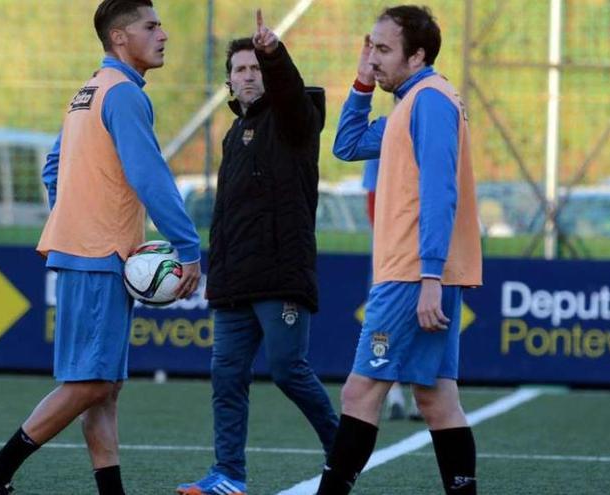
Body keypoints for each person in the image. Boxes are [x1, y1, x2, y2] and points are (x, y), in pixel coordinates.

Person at [0, 2, 201, 494]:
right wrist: (187, 246)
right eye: (151, 26)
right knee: (91, 383)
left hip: (86, 250)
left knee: (104, 389)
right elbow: (149, 175)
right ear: (119, 38)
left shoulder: (89, 91)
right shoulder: (123, 96)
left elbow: (54, 166)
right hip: (99, 255)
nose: (163, 34)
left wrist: (72, 218)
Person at [317, 5, 482, 495]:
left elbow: (439, 191)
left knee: (360, 391)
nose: (374, 58)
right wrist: (362, 82)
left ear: (417, 56)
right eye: (371, 47)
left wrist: (430, 276)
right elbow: (346, 145)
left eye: (384, 50)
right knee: (435, 397)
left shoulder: (429, 101)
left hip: (412, 274)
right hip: (418, 272)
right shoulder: (412, 102)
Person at [176, 9, 338, 495]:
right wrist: (214, 272)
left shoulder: (295, 120)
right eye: (241, 69)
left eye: (256, 68)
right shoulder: (233, 134)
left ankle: (344, 450)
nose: (249, 76)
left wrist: (274, 53)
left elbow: (290, 94)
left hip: (280, 276)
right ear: (229, 81)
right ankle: (228, 474)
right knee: (226, 379)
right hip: (233, 283)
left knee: (288, 371)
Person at [335, 54, 422, 424]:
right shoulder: (389, 130)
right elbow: (368, 188)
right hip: (395, 251)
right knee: (386, 324)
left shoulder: (430, 119)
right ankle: (398, 393)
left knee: (418, 323)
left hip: (422, 252)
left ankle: (412, 394)